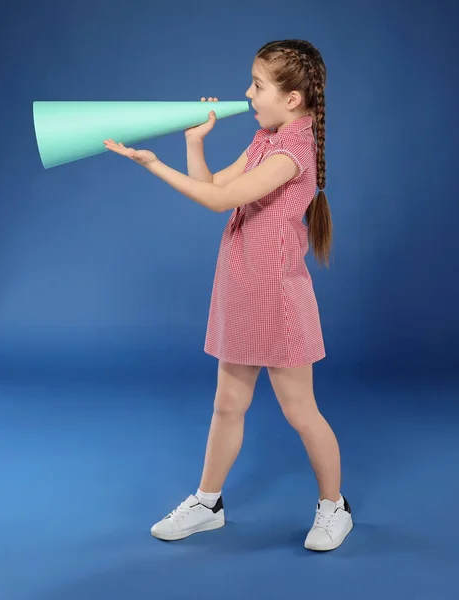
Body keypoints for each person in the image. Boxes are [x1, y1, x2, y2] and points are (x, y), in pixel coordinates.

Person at [104, 39, 353, 552]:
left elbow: (218, 201)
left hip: (279, 299)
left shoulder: (292, 151)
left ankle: (335, 507)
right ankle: (208, 503)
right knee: (227, 405)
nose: (247, 93)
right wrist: (195, 144)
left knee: (299, 411)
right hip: (240, 289)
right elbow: (213, 183)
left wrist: (152, 164)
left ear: (293, 99)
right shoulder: (266, 136)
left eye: (258, 85)